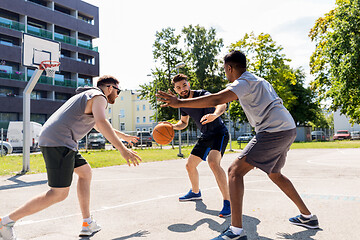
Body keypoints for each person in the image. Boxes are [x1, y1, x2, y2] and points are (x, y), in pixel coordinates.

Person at [157, 51, 319, 240]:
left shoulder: (243, 82)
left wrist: (179, 102)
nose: (225, 73)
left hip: (273, 130)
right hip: (287, 127)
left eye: (225, 70)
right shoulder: (258, 80)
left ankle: (235, 232)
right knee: (275, 174)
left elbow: (218, 99)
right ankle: (308, 217)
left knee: (234, 171)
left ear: (229, 68)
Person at [0, 75, 142, 240]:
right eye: (118, 91)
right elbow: (102, 122)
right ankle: (6, 222)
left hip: (61, 140)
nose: (118, 95)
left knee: (85, 172)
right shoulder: (99, 96)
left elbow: (98, 124)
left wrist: (124, 137)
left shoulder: (87, 96)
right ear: (110, 88)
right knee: (58, 193)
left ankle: (87, 222)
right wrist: (122, 150)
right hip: (59, 141)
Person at [165, 73, 231, 217]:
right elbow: (183, 123)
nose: (182, 89)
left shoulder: (203, 94)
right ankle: (195, 192)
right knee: (190, 165)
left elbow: (221, 103)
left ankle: (228, 202)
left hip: (219, 132)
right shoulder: (183, 104)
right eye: (178, 87)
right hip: (206, 135)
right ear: (175, 90)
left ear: (189, 84)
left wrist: (215, 115)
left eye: (184, 85)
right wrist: (170, 126)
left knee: (213, 162)